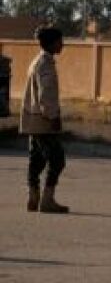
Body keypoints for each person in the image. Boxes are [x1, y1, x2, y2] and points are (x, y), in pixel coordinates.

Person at [20, 25, 69, 213]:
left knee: (37, 160)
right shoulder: (45, 64)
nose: (62, 45)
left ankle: (33, 196)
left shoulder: (37, 61)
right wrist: (53, 116)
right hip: (43, 121)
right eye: (60, 41)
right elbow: (45, 94)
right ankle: (47, 200)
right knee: (57, 160)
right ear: (51, 43)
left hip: (32, 119)